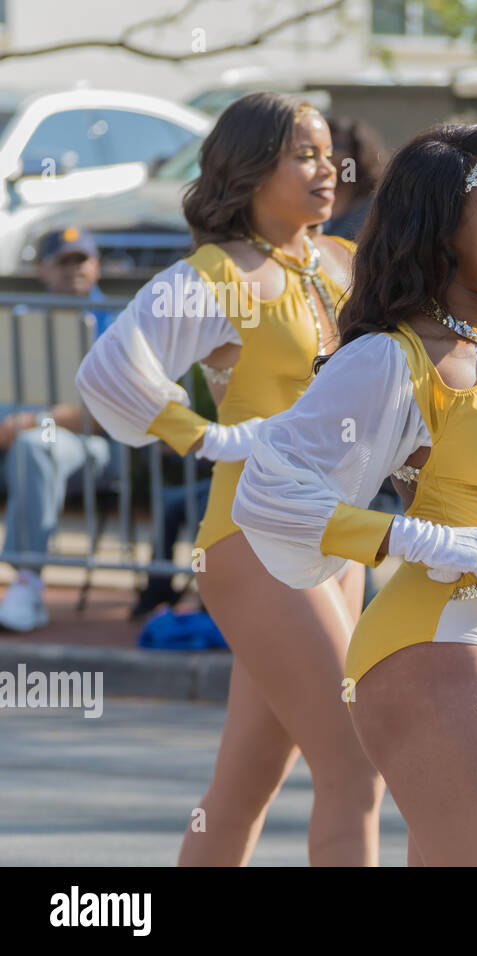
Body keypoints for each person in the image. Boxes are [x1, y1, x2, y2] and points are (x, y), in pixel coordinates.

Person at [231, 124, 477, 866]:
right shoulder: (393, 357)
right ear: (442, 229)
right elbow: (266, 489)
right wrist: (408, 538)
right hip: (440, 648)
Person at [75, 92, 384, 866]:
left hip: (338, 537)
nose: (326, 168)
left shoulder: (342, 262)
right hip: (257, 538)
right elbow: (109, 369)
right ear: (249, 171)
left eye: (327, 153)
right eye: (302, 155)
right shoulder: (219, 273)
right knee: (356, 765)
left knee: (242, 789)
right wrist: (203, 436)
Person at [0, 227, 116, 632]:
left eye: (81, 260)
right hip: (13, 440)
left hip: (91, 446)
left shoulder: (118, 323)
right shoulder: (17, 320)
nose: (74, 271)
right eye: (63, 262)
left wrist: (33, 421)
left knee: (35, 445)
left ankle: (27, 583)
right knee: (30, 446)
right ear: (42, 270)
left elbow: (108, 413)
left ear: (96, 265)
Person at [320, 115, 385, 241]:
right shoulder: (307, 200)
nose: (328, 154)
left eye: (336, 146)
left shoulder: (375, 207)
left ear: (358, 154)